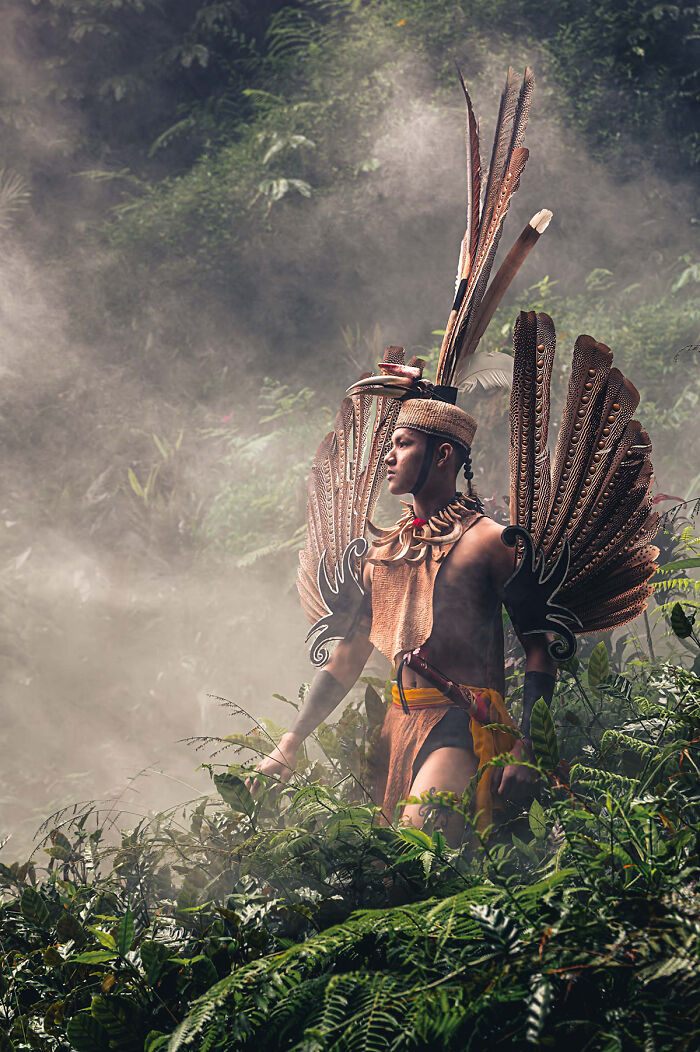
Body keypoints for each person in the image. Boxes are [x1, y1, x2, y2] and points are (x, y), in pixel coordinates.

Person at [251, 400, 556, 843]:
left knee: (421, 849)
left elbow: (539, 650)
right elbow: (347, 657)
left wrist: (528, 746)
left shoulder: (490, 542)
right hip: (397, 727)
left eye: (404, 444)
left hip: (462, 722)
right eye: (390, 444)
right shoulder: (382, 553)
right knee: (388, 875)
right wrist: (291, 741)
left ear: (443, 454)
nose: (389, 457)